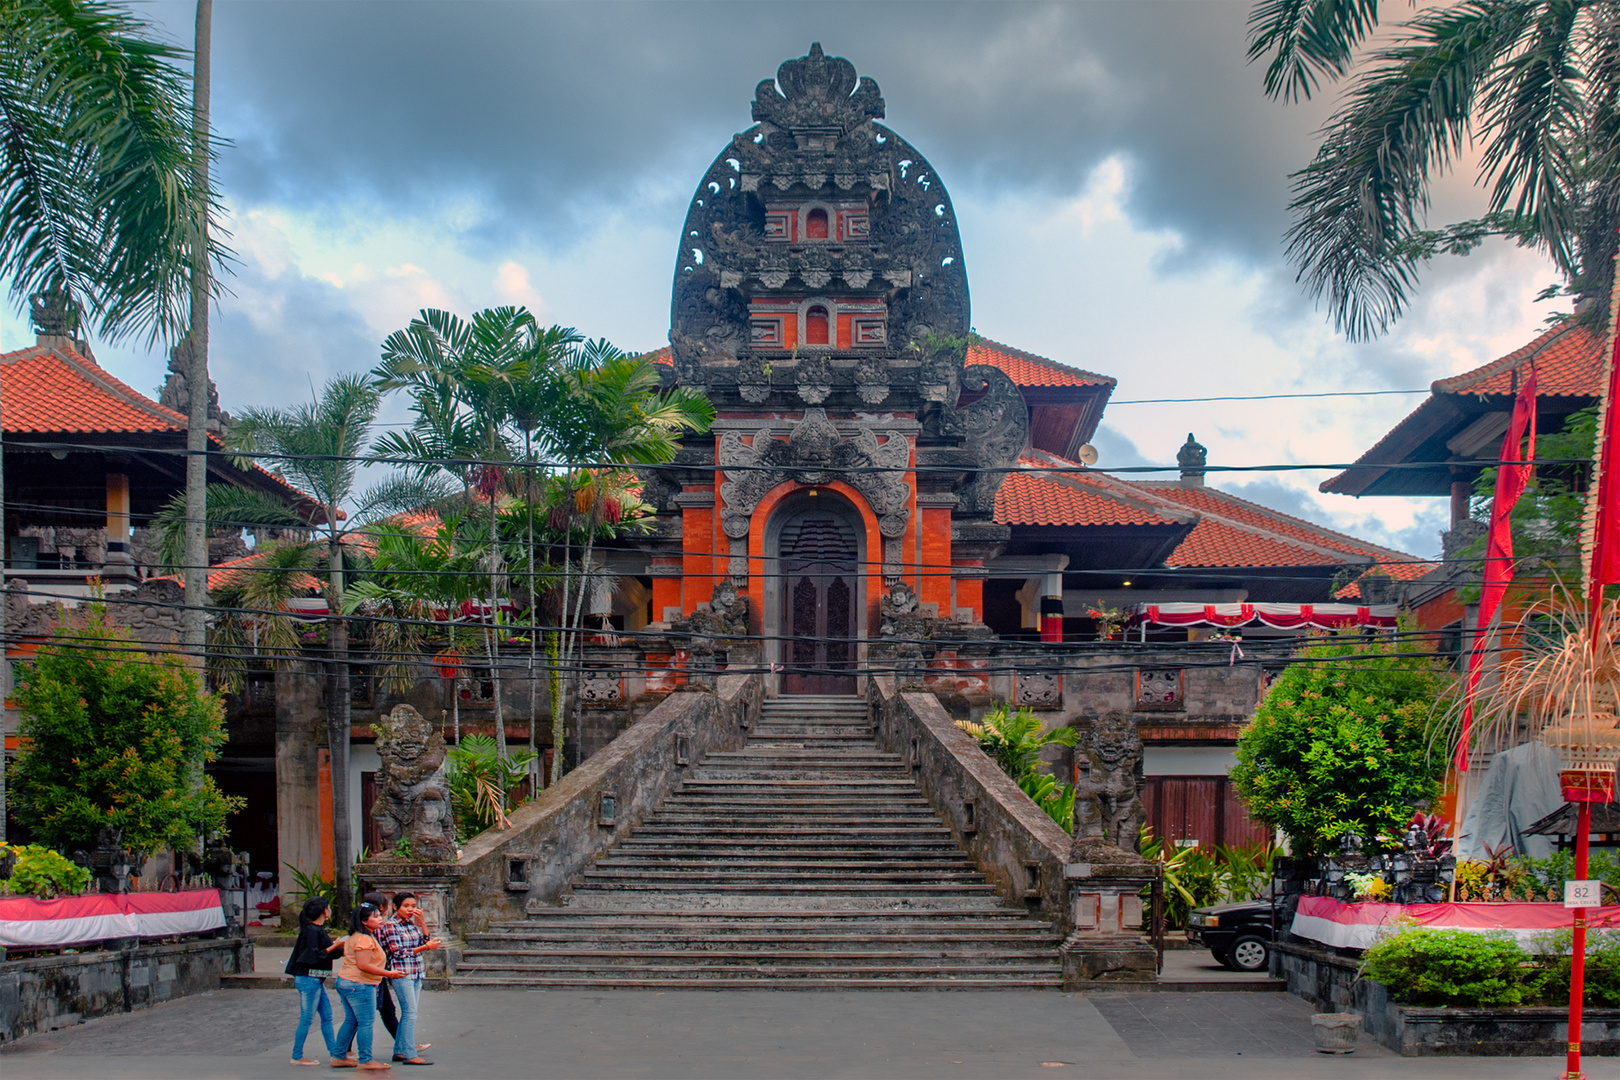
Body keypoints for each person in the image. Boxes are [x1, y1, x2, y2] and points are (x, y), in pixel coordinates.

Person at [331, 902, 404, 1070]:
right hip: (360, 984)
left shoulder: (357, 936)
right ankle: (366, 1060)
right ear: (364, 921)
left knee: (352, 1020)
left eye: (380, 915)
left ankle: (339, 1056)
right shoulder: (363, 939)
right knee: (366, 1022)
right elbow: (363, 965)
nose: (380, 919)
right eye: (375, 916)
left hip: (347, 981)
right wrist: (389, 974)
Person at [375, 893, 441, 1066]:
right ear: (396, 907)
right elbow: (398, 952)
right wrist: (425, 947)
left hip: (416, 972)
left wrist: (423, 923)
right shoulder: (390, 926)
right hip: (401, 973)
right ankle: (410, 1053)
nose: (410, 909)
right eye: (406, 906)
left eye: (413, 906)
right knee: (410, 1013)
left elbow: (427, 940)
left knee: (408, 1013)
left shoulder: (411, 925)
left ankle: (399, 1051)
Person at [287, 898, 346, 1066]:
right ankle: (297, 1055)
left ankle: (336, 1053)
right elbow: (314, 955)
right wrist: (334, 946)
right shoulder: (312, 931)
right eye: (328, 908)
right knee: (307, 1017)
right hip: (308, 978)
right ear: (324, 911)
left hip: (315, 979)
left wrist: (339, 946)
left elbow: (330, 952)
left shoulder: (316, 930)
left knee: (327, 1016)